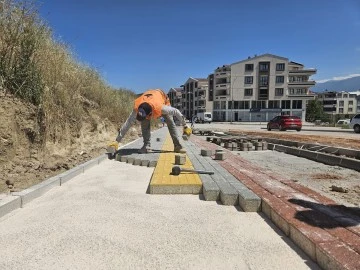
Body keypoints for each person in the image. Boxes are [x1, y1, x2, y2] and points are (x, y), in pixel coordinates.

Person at [116, 89, 188, 154]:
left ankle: (177, 146)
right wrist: (117, 141)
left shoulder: (161, 108)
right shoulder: (137, 107)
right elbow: (128, 123)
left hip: (162, 98)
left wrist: (185, 125)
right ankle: (147, 146)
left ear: (150, 113)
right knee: (144, 123)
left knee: (170, 121)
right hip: (149, 97)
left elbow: (176, 111)